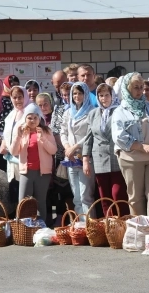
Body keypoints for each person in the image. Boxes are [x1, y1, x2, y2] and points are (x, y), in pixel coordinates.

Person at [112, 72, 149, 216]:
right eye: (136, 88)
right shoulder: (120, 111)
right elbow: (119, 136)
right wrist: (141, 146)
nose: (140, 91)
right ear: (127, 89)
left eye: (141, 87)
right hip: (131, 159)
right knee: (135, 197)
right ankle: (139, 230)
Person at [83, 83, 128, 216]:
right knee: (104, 197)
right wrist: (86, 160)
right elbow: (88, 138)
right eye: (101, 95)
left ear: (112, 95)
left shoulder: (120, 111)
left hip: (117, 157)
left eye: (107, 95)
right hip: (99, 159)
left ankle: (122, 222)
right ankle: (109, 226)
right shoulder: (93, 114)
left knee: (118, 194)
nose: (104, 98)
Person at [10, 104, 57, 221]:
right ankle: (21, 228)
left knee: (40, 201)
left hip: (43, 173)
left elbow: (53, 150)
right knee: (24, 201)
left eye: (35, 117)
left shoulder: (46, 131)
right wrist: (18, 137)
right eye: (29, 118)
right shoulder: (21, 130)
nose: (32, 120)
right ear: (25, 118)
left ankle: (41, 228)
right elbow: (14, 151)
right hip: (26, 171)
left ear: (40, 118)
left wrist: (42, 138)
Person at [60, 82, 95, 219]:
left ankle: (90, 225)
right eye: (74, 93)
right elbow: (63, 131)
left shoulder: (92, 111)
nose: (77, 96)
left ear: (85, 94)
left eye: (80, 93)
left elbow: (90, 134)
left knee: (85, 195)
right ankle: (80, 224)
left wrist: (75, 147)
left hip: (85, 157)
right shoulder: (68, 112)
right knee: (76, 197)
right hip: (71, 158)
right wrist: (68, 147)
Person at [0, 86, 31, 204]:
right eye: (14, 97)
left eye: (20, 97)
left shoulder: (30, 113)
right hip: (11, 160)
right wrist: (3, 144)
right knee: (15, 193)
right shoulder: (11, 115)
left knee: (26, 197)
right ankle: (17, 221)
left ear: (25, 97)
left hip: (24, 161)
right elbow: (6, 134)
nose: (17, 100)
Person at [50, 82, 73, 227]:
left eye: (68, 94)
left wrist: (71, 149)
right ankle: (61, 219)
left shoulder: (81, 107)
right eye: (63, 94)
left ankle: (74, 218)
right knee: (61, 189)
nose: (65, 98)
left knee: (74, 190)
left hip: (76, 153)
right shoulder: (58, 109)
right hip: (61, 153)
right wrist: (65, 148)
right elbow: (55, 130)